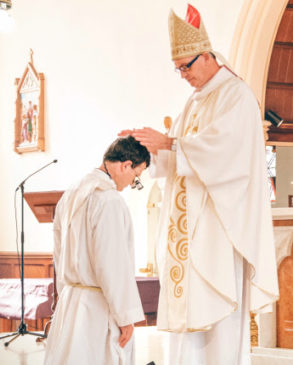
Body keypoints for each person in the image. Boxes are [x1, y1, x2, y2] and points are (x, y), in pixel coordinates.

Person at [120, 5, 279, 365]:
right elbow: (178, 154)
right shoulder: (194, 101)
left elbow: (228, 154)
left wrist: (171, 143)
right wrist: (146, 147)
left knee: (216, 325)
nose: (182, 75)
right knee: (188, 329)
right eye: (177, 69)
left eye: (186, 66)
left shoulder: (236, 95)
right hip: (189, 236)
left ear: (206, 56)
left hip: (218, 232)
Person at [44, 136, 150, 365]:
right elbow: (111, 264)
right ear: (126, 165)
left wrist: (64, 294)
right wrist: (125, 317)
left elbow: (58, 252)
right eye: (136, 175)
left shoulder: (71, 193)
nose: (133, 183)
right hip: (97, 308)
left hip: (71, 303)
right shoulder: (108, 200)